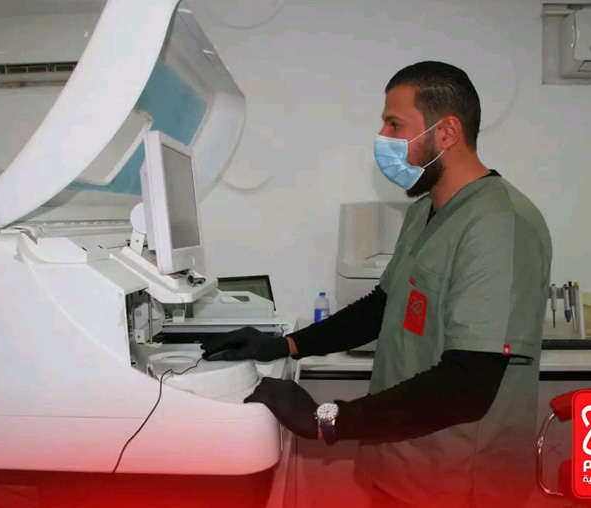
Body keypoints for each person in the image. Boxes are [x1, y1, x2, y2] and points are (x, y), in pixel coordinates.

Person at [202, 61, 552, 508]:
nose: (383, 137)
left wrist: (327, 419)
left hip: (457, 483)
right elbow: (382, 307)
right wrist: (284, 345)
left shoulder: (500, 225)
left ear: (447, 132)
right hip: (400, 467)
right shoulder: (423, 213)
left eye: (395, 124)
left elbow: (468, 386)